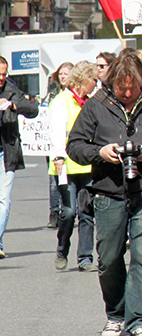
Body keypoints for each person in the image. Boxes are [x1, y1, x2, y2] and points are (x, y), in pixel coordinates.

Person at [66, 51, 142, 336]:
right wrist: (100, 152)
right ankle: (116, 314)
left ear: (141, 82)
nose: (128, 93)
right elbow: (75, 145)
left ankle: (138, 320)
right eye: (122, 87)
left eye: (133, 87)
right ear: (112, 82)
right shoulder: (96, 105)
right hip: (108, 190)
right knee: (108, 258)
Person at [49, 61, 99, 271]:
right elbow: (57, 132)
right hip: (66, 166)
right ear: (84, 79)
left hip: (87, 166)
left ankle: (85, 258)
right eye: (94, 80)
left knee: (87, 212)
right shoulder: (61, 102)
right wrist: (58, 156)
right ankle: (62, 249)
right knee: (69, 212)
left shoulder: (91, 103)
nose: (96, 84)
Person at [0, 55, 40, 259]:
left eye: (4, 74)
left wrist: (14, 106)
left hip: (6, 151)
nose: (1, 78)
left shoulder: (11, 89)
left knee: (3, 199)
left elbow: (33, 109)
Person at [47, 62, 75, 229]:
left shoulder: (75, 96)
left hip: (70, 150)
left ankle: (64, 211)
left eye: (66, 73)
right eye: (61, 73)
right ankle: (54, 212)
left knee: (66, 186)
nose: (63, 76)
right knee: (54, 182)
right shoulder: (53, 94)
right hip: (54, 146)